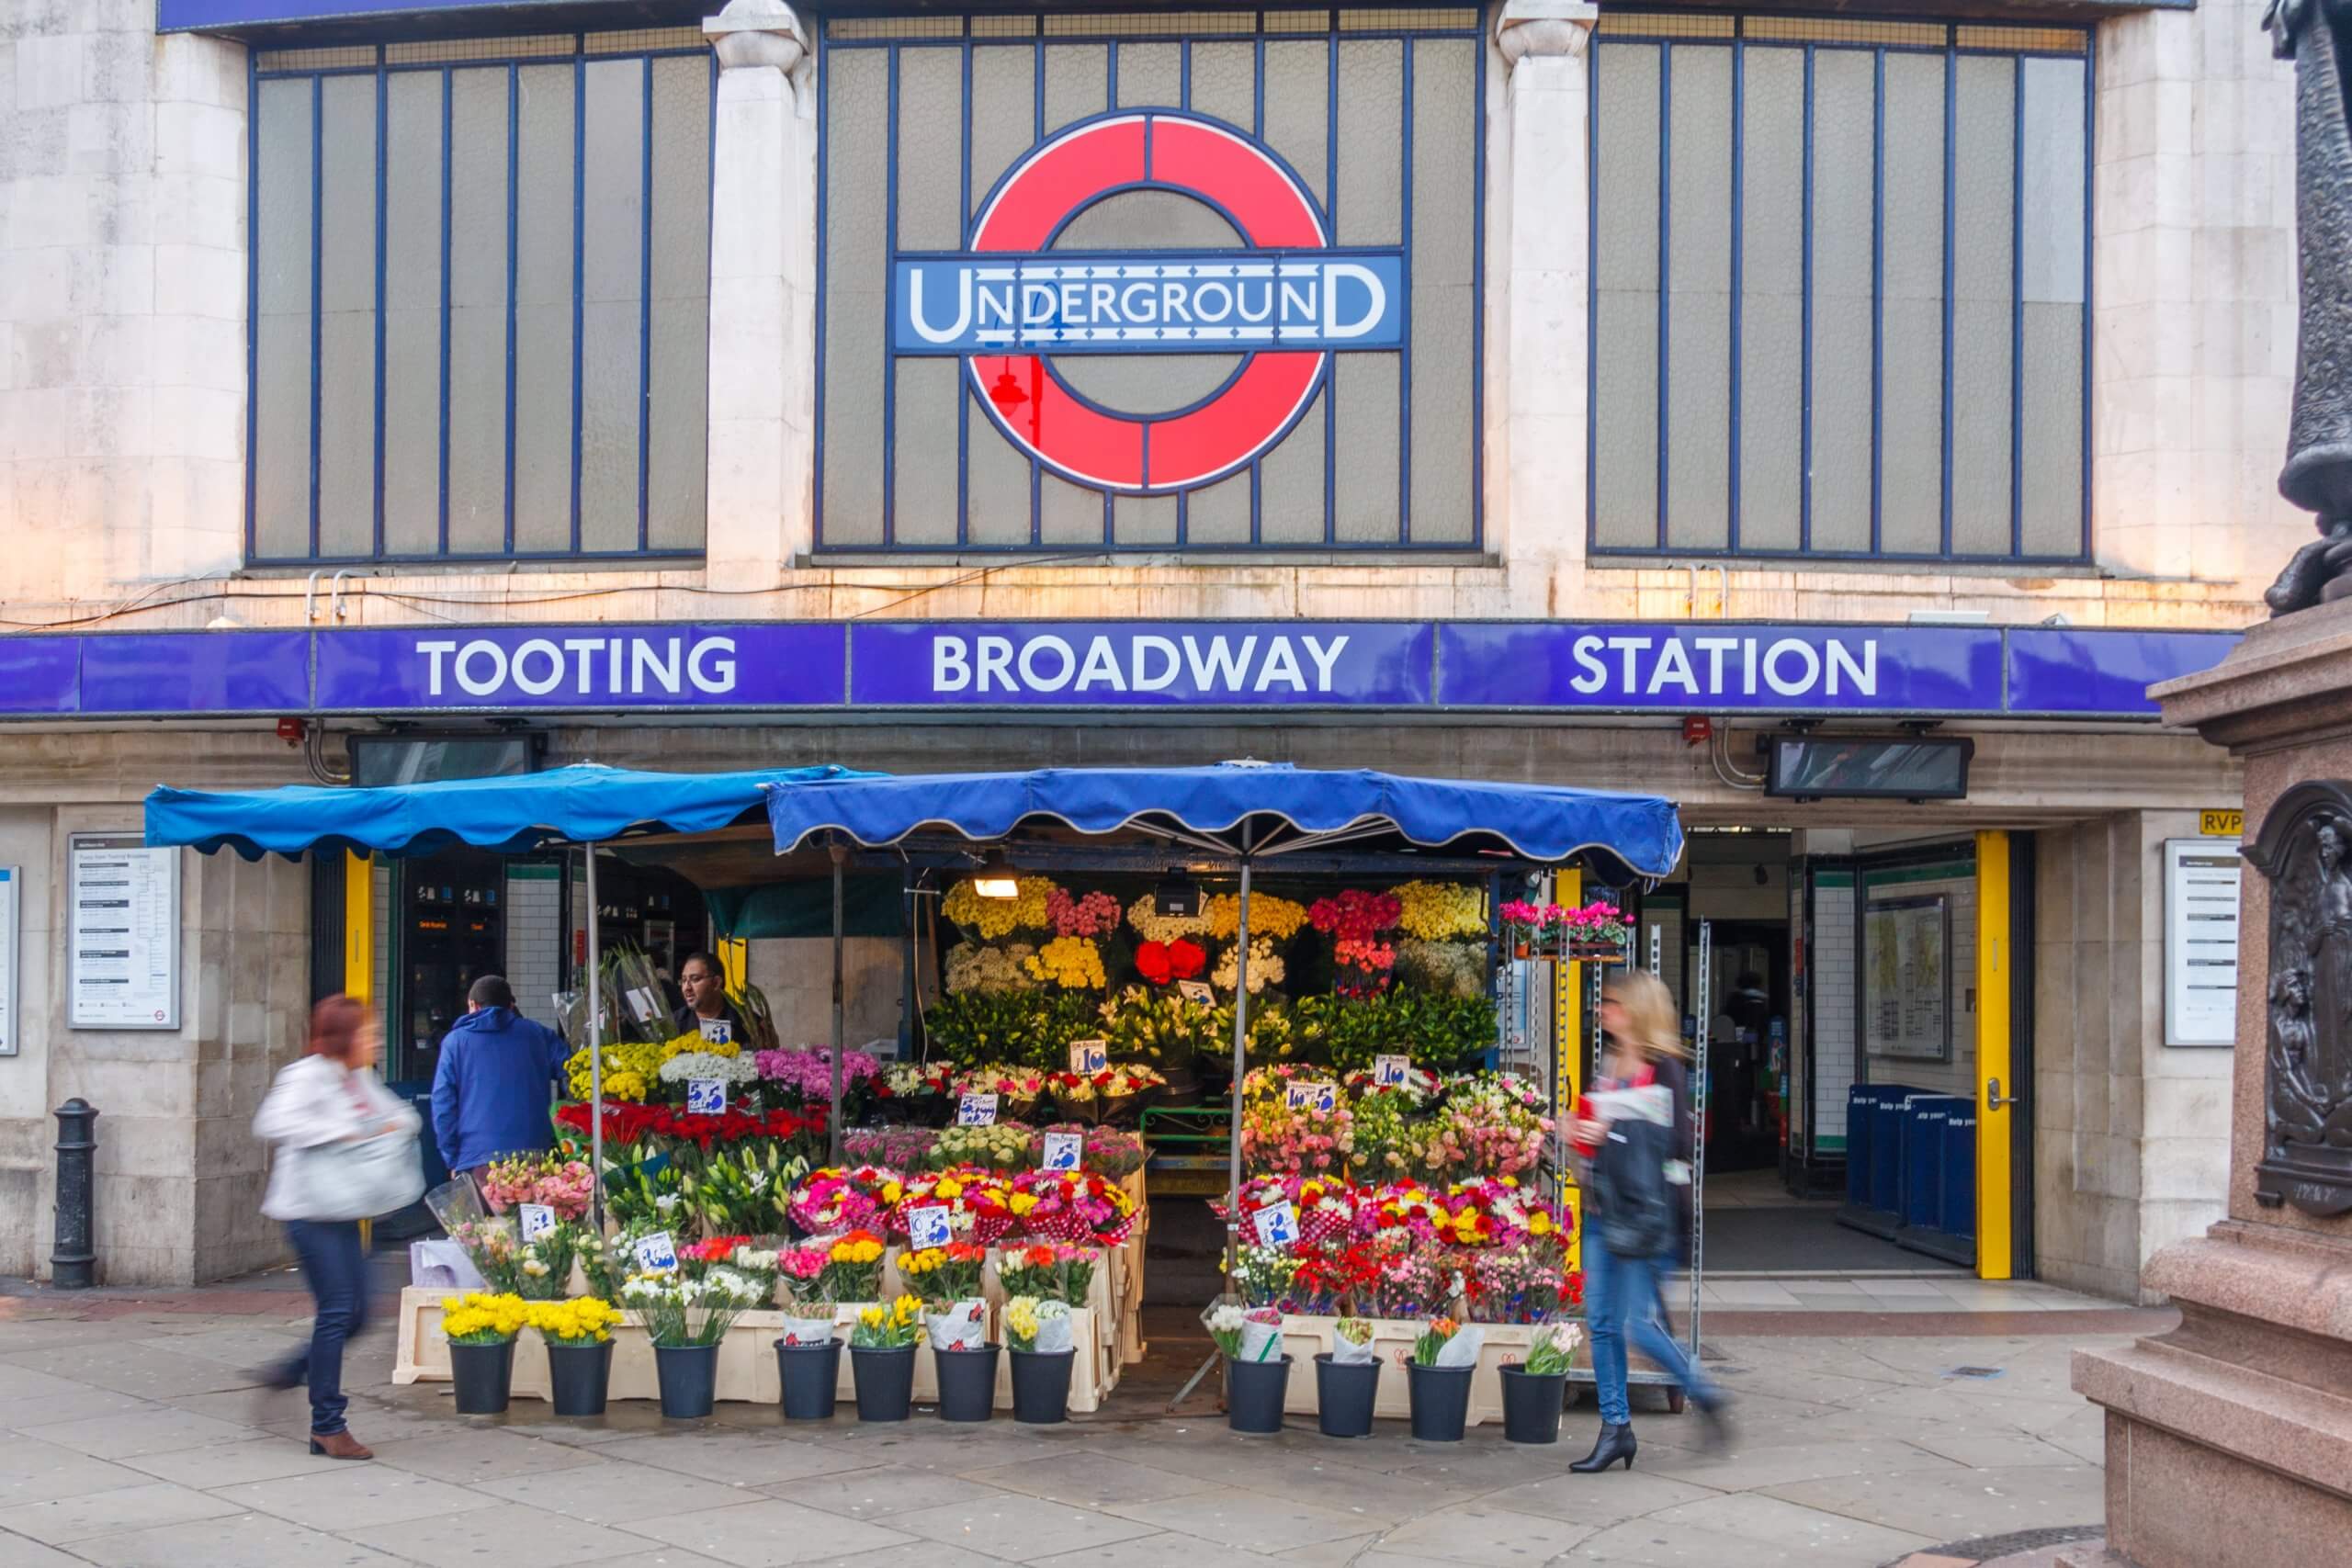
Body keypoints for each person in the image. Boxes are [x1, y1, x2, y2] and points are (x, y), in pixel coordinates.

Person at [1568, 968, 1729, 1473]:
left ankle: (1703, 1390)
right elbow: (1599, 1135)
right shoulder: (1610, 1061)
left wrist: (1618, 1123)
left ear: (1635, 1010)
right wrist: (1580, 1130)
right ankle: (1615, 1429)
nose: (1602, 1009)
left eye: (1611, 1002)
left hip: (1644, 1216)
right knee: (1600, 1322)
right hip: (1600, 1207)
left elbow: (1678, 1147)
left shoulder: (1664, 1070)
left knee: (1637, 1323)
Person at [253, 996, 418, 1460]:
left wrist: (388, 1127)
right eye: (368, 1031)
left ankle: (291, 1371)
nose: (376, 1039)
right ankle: (328, 1425)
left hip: (344, 1210)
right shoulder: (306, 1075)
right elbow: (272, 1121)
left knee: (361, 1314)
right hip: (307, 1213)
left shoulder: (361, 1078)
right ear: (344, 1036)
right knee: (339, 1310)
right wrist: (339, 1131)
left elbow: (400, 1116)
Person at [431, 975, 570, 1194]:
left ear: (472, 1005)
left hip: (477, 1160)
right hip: (534, 1154)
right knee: (537, 1227)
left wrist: (451, 1158)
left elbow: (443, 1105)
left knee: (486, 1228)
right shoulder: (539, 1035)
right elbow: (573, 1072)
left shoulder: (455, 1042)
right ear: (511, 1005)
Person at [673, 950, 752, 1043]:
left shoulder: (748, 1023)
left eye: (695, 979)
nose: (687, 988)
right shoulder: (675, 1022)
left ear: (716, 983)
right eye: (684, 980)